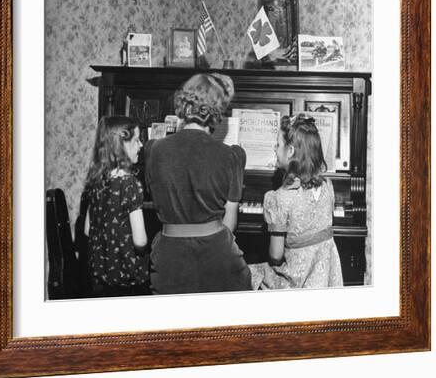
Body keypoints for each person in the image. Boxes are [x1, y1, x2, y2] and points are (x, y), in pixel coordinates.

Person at [144, 73, 251, 294]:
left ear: (184, 102)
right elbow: (229, 225)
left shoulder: (154, 149)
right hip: (218, 258)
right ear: (217, 109)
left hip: (169, 260)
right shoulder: (231, 155)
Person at [250, 114, 343, 289]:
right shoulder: (328, 186)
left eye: (278, 145)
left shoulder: (278, 198)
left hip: (296, 282)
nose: (275, 149)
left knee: (250, 273)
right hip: (327, 281)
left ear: (291, 151)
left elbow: (276, 255)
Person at [79, 116, 150, 297]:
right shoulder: (130, 184)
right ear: (121, 146)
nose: (141, 145)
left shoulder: (96, 181)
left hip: (99, 277)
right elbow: (140, 241)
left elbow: (88, 230)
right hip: (127, 279)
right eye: (136, 140)